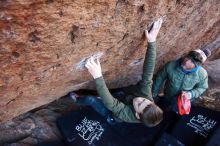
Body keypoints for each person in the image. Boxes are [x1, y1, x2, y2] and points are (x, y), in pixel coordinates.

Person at [70, 18, 164, 127]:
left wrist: (97, 76)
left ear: (137, 115)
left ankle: (77, 100)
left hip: (112, 113)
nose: (140, 99)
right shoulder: (147, 99)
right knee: (113, 95)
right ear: (152, 102)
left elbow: (112, 104)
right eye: (145, 100)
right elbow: (148, 73)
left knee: (90, 99)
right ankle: (102, 96)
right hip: (124, 98)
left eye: (139, 104)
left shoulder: (128, 115)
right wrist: (152, 42)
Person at [152, 45, 211, 111]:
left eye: (191, 62)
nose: (186, 61)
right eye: (188, 58)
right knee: (164, 112)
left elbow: (202, 87)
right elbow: (160, 78)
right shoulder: (171, 65)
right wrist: (154, 94)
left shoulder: (202, 73)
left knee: (179, 118)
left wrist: (191, 94)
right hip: (168, 98)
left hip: (185, 102)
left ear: (196, 65)